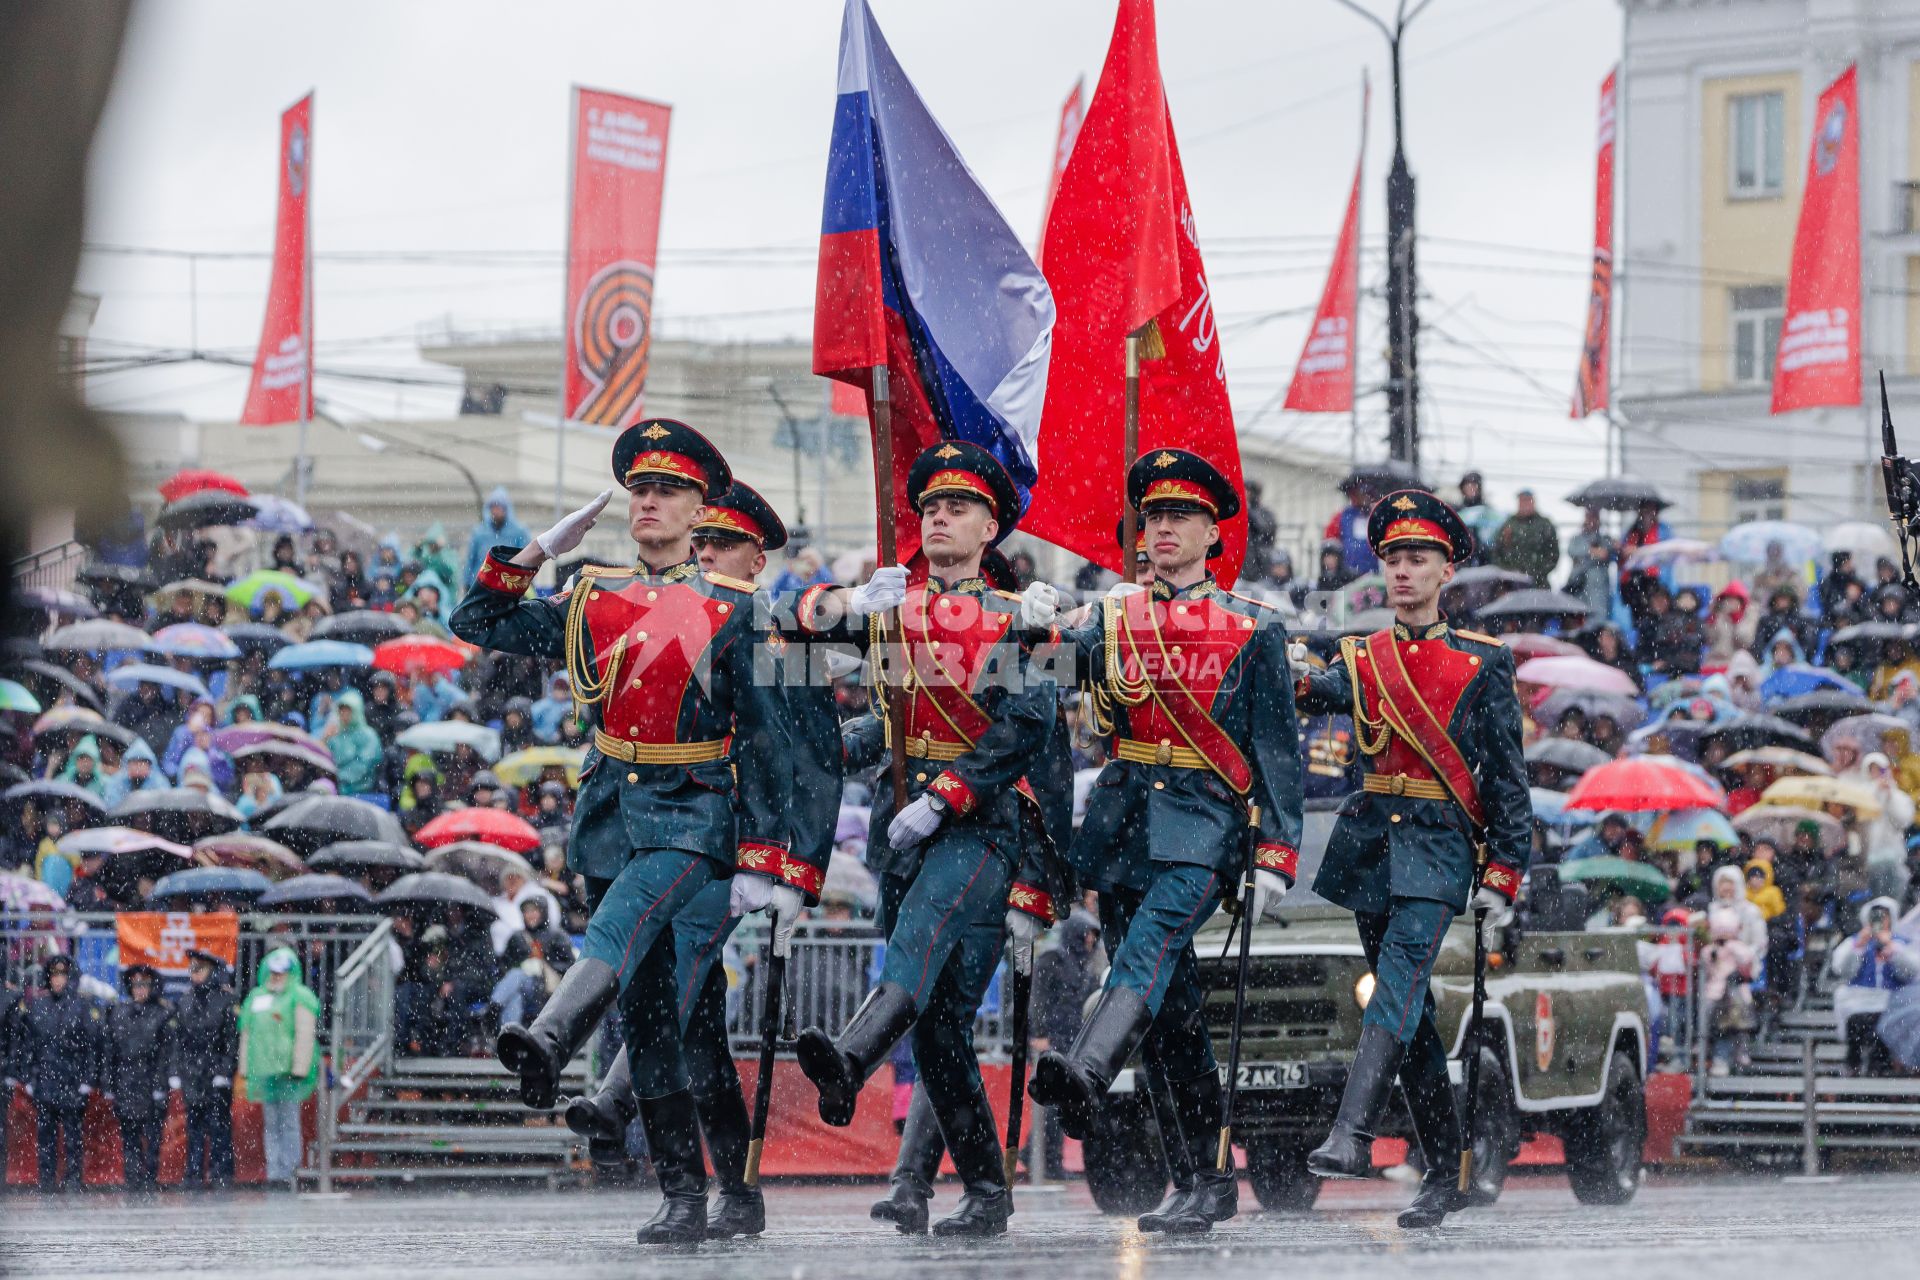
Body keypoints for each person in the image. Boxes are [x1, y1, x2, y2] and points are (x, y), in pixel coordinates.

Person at [451, 419, 791, 1246]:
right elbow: (478, 622)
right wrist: (530, 553)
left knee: (624, 924)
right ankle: (701, 1196)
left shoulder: (739, 612)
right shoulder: (594, 598)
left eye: (667, 491)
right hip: (612, 816)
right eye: (639, 489)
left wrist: (775, 860)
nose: (647, 501)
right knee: (671, 1025)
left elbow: (777, 742)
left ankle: (553, 1034)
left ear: (699, 509)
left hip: (695, 815)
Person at [787, 440, 1065, 1240]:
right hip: (899, 830)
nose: (939, 517)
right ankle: (984, 1187)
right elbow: (791, 650)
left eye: (958, 508)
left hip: (980, 827)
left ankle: (849, 1057)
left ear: (989, 529)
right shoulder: (895, 614)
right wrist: (842, 605)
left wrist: (945, 798)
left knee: (918, 939)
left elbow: (1025, 730)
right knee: (941, 1029)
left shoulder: (1020, 620)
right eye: (930, 508)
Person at [1032, 448, 1304, 1237]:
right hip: (1122, 825)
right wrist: (1032, 621)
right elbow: (1032, 671)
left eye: (1178, 517)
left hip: (1203, 823)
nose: (1161, 530)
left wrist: (1277, 853)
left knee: (1143, 956)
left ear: (1212, 533)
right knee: (1171, 1013)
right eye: (1151, 517)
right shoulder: (1115, 619)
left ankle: (1087, 1066)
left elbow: (1277, 752)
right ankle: (1203, 1181)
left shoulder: (1253, 629)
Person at [563, 480, 842, 1240]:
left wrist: (784, 866)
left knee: (669, 999)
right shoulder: (664, 615)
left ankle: (654, 1143)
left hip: (719, 851)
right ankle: (716, 1189)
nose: (707, 554)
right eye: (704, 542)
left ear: (759, 556)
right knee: (691, 1033)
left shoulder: (779, 629)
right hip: (644, 834)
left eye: (723, 546)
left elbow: (806, 757)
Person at [1289, 489, 1531, 1229]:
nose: (1401, 570)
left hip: (1437, 844)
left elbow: (1506, 776)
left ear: (1445, 570)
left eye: (1416, 558)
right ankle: (1444, 1164)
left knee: (1396, 984)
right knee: (1413, 1016)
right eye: (1392, 557)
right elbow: (1313, 693)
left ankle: (1351, 1132)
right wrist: (1285, 658)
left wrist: (1503, 872)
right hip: (1371, 846)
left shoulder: (1482, 662)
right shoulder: (1363, 656)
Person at [237, 946, 320, 1190]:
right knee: (271, 1123)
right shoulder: (256, 997)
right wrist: (244, 1066)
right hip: (264, 1071)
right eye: (273, 971)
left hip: (288, 1073)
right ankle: (275, 1171)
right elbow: (247, 1033)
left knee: (289, 1121)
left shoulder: (300, 996)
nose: (277, 976)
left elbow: (305, 1034)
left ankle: (290, 1170)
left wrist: (300, 1067)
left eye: (282, 972)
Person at [19, 954, 103, 1191]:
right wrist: (29, 1076)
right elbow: (29, 1045)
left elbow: (91, 1046)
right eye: (54, 974)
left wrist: (87, 1079)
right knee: (45, 1136)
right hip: (46, 1080)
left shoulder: (82, 1006)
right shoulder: (37, 1006)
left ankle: (74, 1178)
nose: (58, 980)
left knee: (73, 1136)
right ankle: (46, 1180)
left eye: (62, 974)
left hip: (72, 1081)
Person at [1029, 909, 1101, 1179]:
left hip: (1072, 1039)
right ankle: (1047, 1160)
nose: (1092, 941)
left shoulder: (1084, 964)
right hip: (1052, 1040)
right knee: (1054, 1103)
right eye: (1088, 935)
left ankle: (1038, 1155)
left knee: (1062, 1102)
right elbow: (1037, 997)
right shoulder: (1052, 958)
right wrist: (1038, 1033)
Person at [104, 964, 179, 1191]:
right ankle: (132, 1177)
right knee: (130, 1134)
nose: (140, 990)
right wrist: (108, 1082)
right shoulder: (118, 1012)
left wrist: (161, 1083)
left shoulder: (163, 1013)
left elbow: (167, 1052)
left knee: (153, 1134)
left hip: (150, 1079)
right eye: (136, 984)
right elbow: (110, 1050)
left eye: (144, 984)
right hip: (126, 1079)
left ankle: (151, 1177)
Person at [1829, 897, 1919, 1076]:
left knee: (1884, 1028)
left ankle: (1880, 1069)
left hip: (1892, 1003)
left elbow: (1911, 970)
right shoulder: (1856, 942)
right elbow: (1841, 968)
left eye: (1884, 917)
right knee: (1858, 1024)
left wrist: (1892, 949)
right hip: (1860, 1002)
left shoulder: (1900, 942)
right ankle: (1854, 1066)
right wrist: (1859, 946)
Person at [175, 948, 238, 1189]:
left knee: (219, 1125)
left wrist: (224, 1071)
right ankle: (193, 1173)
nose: (194, 973)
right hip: (193, 1073)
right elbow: (180, 1039)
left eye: (199, 969)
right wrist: (179, 1070)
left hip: (216, 1073)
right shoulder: (185, 999)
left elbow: (231, 1040)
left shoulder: (226, 1000)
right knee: (194, 1127)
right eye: (192, 969)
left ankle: (221, 1173)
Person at [492, 896, 576, 1029]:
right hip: (521, 988)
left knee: (517, 975)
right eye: (526, 912)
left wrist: (543, 965)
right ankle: (511, 1034)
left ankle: (494, 1006)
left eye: (534, 911)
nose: (530, 915)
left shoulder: (556, 935)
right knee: (515, 997)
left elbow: (570, 965)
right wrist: (524, 965)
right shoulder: (517, 937)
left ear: (543, 912)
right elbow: (503, 964)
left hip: (546, 988)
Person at [462, 485, 532, 587]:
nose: (495, 511)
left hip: (508, 584)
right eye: (493, 507)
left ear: (506, 509)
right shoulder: (479, 532)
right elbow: (470, 560)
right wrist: (467, 583)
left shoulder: (519, 532)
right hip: (482, 583)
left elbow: (526, 558)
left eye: (499, 507)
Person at [1490, 488, 1559, 587]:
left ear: (1533, 502)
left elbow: (1553, 555)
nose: (1525, 505)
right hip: (1512, 582)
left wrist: (1537, 573)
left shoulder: (1544, 524)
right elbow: (1496, 552)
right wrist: (1509, 571)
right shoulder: (1508, 525)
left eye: (1528, 501)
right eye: (1522, 501)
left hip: (1539, 583)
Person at [1454, 471, 1501, 565]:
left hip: (1485, 560)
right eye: (1468, 485)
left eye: (1474, 485)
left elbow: (1494, 536)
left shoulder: (1488, 511)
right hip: (1462, 561)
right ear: (1462, 489)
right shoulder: (1456, 511)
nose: (1471, 488)